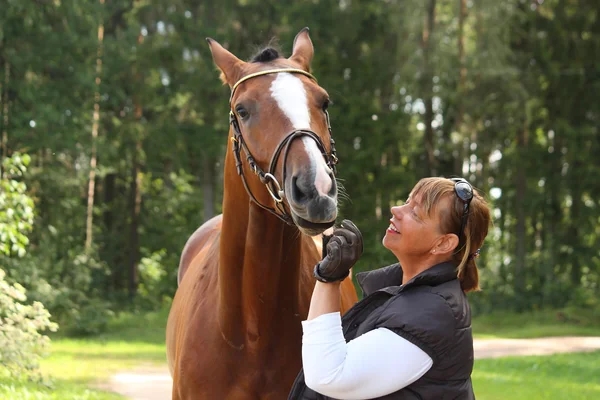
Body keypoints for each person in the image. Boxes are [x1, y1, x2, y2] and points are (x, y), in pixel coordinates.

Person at [288, 177, 492, 400]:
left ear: (443, 244)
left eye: (416, 213)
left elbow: (327, 375)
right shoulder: (407, 294)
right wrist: (329, 276)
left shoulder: (433, 313)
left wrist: (329, 279)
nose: (396, 210)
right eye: (407, 201)